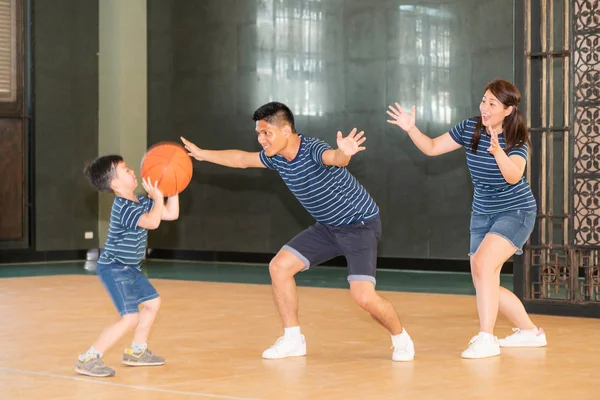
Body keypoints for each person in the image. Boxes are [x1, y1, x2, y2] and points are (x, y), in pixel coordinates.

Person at [181, 102, 415, 361]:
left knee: (363, 296)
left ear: (286, 130)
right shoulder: (277, 158)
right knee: (279, 267)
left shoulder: (312, 149)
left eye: (266, 133)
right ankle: (293, 339)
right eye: (258, 134)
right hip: (328, 227)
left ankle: (401, 338)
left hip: (359, 225)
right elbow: (241, 160)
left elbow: (334, 158)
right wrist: (203, 154)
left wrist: (344, 152)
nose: (261, 140)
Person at [386, 79, 547, 359]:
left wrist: (498, 152)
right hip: (482, 213)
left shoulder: (516, 138)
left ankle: (487, 338)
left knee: (484, 266)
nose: (484, 107)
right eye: (484, 100)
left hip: (516, 212)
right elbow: (432, 147)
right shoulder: (470, 128)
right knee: (484, 279)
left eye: (492, 103)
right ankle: (530, 332)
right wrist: (411, 128)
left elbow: (514, 176)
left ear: (507, 110)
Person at [76, 155, 179, 377]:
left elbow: (171, 213)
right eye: (126, 170)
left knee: (153, 303)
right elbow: (152, 222)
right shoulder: (124, 206)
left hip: (130, 268)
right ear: (115, 184)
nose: (133, 172)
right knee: (130, 317)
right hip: (114, 268)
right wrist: (159, 197)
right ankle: (89, 358)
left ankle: (137, 351)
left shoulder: (140, 201)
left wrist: (174, 186)